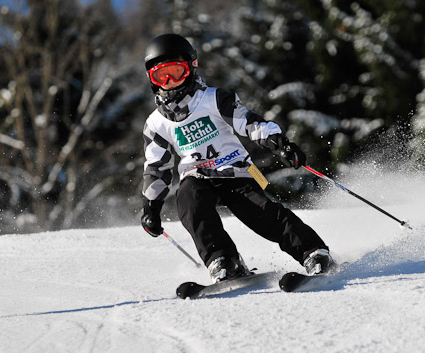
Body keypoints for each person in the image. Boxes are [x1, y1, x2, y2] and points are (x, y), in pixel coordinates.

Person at [139, 33, 334, 283]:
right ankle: (223, 260)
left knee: (263, 214)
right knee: (189, 200)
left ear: (191, 68)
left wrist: (279, 143)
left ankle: (312, 251)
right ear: (152, 80)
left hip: (236, 169)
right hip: (197, 176)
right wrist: (151, 207)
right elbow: (156, 167)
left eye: (176, 71)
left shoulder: (214, 98)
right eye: (161, 76)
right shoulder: (156, 124)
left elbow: (249, 122)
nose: (170, 81)